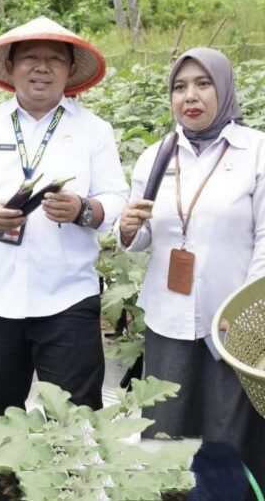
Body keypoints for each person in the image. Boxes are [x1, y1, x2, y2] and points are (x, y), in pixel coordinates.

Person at [0, 16, 129, 419]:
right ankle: (7, 481)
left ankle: (77, 481)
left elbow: (116, 198)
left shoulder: (94, 130)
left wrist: (82, 209)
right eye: (31, 58)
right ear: (10, 67)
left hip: (68, 297)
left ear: (70, 70)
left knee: (78, 414)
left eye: (54, 59)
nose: (42, 68)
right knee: (1, 410)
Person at [117, 47, 265, 491]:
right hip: (168, 317)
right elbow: (143, 239)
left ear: (224, 88)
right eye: (179, 87)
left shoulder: (256, 151)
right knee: (166, 425)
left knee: (228, 428)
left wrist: (244, 313)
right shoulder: (156, 155)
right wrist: (127, 230)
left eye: (203, 84)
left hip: (235, 322)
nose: (190, 96)